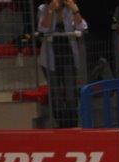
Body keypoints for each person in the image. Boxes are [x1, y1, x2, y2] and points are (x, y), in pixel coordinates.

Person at [37, 0, 87, 128]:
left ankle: (72, 124)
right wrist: (50, 10)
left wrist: (75, 10)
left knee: (71, 93)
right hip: (50, 58)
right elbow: (43, 28)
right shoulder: (43, 8)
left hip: (68, 56)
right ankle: (60, 125)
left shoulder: (70, 8)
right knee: (55, 94)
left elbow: (82, 27)